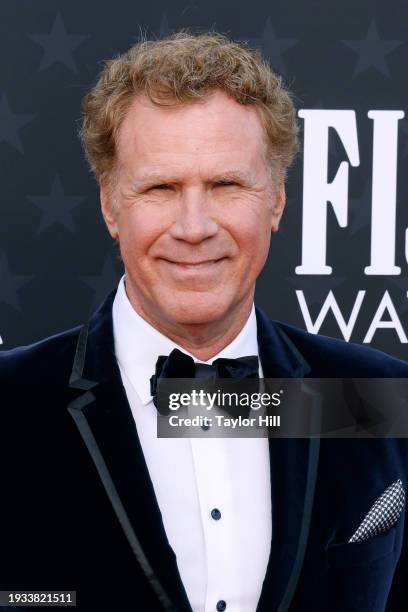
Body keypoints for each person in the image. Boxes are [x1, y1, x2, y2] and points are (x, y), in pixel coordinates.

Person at [0, 31, 407, 612]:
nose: (195, 227)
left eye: (226, 185)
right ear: (110, 204)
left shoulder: (377, 400)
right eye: (161, 188)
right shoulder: (11, 403)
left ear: (276, 200)